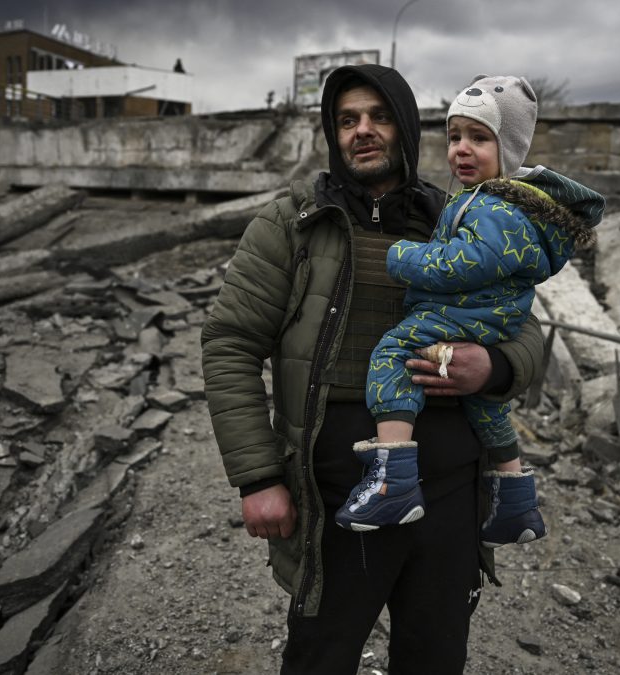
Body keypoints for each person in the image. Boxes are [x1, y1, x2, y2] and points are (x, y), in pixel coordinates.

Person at [200, 64, 545, 674]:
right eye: (347, 120)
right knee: (321, 656)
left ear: (407, 129)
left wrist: (490, 367)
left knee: (435, 657)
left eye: (379, 116)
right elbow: (229, 343)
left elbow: (527, 333)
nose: (363, 130)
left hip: (448, 497)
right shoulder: (293, 224)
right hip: (338, 498)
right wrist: (257, 477)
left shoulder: (460, 218)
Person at [334, 75, 605, 548]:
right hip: (488, 317)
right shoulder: (487, 200)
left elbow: (467, 264)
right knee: (486, 406)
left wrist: (402, 257)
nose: (461, 148)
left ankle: (392, 477)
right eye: (455, 136)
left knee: (393, 353)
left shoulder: (495, 207)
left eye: (479, 138)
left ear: (511, 148)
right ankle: (516, 501)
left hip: (465, 311)